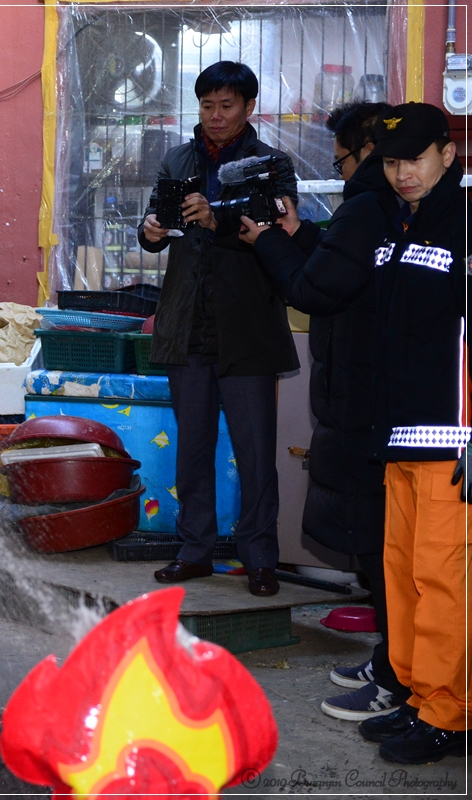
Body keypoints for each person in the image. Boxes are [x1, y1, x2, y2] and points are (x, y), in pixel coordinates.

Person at [239, 101, 406, 722]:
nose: (339, 171)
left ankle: (395, 673)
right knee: (380, 544)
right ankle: (393, 659)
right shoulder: (381, 210)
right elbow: (340, 268)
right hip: (370, 396)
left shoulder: (369, 208)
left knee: (379, 545)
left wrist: (265, 245)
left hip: (364, 401)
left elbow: (314, 289)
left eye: (339, 158)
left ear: (363, 151)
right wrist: (299, 234)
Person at [138, 61, 299, 597]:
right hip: (187, 321)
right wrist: (152, 230)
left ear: (249, 107)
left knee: (255, 451)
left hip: (247, 323)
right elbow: (154, 227)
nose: (214, 116)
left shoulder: (270, 163)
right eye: (206, 106)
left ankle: (259, 558)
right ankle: (195, 550)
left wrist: (218, 219)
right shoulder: (177, 158)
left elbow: (277, 221)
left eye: (226, 106)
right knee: (193, 446)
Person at [348, 103, 469, 765]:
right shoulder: (402, 222)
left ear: (447, 157)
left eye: (414, 158)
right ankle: (421, 698)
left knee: (443, 577)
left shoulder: (465, 224)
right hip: (399, 433)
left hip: (452, 438)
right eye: (391, 161)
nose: (402, 173)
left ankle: (450, 713)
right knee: (405, 577)